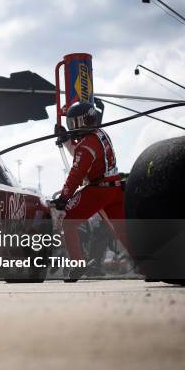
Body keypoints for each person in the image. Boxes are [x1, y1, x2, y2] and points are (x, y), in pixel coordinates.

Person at [51, 102, 130, 281]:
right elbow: (83, 153)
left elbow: (76, 174)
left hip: (98, 190)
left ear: (82, 121)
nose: (71, 127)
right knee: (122, 230)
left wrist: (64, 197)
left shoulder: (86, 146)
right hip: (115, 187)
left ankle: (78, 264)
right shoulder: (101, 135)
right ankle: (148, 267)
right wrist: (67, 140)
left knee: (68, 221)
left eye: (73, 124)